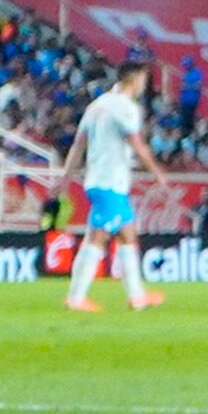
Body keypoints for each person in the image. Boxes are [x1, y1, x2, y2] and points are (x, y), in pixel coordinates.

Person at [60, 56, 165, 315]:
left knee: (128, 234)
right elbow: (136, 143)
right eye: (143, 80)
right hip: (110, 182)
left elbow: (78, 145)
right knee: (97, 237)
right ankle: (76, 297)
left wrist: (65, 177)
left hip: (98, 180)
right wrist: (157, 172)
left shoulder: (97, 106)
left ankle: (137, 296)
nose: (144, 85)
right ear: (135, 79)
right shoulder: (125, 108)